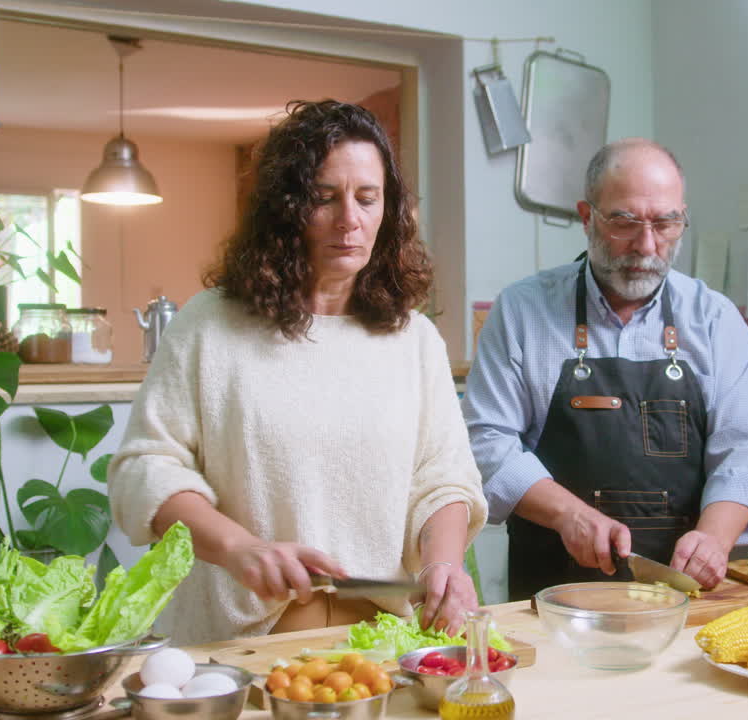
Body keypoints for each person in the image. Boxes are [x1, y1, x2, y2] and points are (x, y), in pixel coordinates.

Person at [109, 100, 487, 646]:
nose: (349, 220)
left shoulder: (413, 339)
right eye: (324, 198)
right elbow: (144, 471)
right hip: (238, 644)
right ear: (286, 208)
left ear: (389, 208)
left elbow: (444, 476)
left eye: (367, 198)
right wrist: (239, 548)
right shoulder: (210, 326)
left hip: (381, 643)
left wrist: (442, 566)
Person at [462, 138, 748, 601]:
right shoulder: (523, 311)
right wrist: (570, 515)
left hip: (680, 597)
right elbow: (486, 442)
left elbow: (743, 457)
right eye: (625, 222)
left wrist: (714, 539)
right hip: (552, 598)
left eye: (666, 223)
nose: (646, 246)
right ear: (587, 217)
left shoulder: (714, 319)